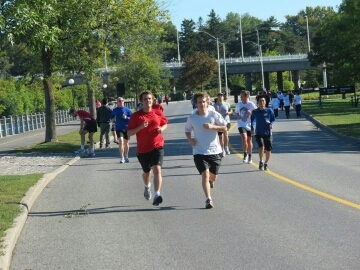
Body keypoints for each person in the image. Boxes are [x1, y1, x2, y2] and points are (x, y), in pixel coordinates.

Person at [185, 92, 227, 209]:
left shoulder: (214, 115)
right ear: (196, 104)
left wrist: (212, 127)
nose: (202, 104)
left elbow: (224, 128)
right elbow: (187, 130)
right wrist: (190, 139)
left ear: (208, 102)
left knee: (213, 177)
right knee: (205, 174)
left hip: (215, 151)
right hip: (199, 151)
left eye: (204, 101)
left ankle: (211, 182)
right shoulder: (192, 118)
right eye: (199, 102)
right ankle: (208, 199)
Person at [127, 90, 168, 206]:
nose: (148, 101)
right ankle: (147, 186)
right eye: (145, 99)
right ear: (141, 101)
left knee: (157, 169)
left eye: (149, 98)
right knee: (147, 173)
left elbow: (165, 124)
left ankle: (157, 195)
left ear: (152, 100)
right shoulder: (136, 116)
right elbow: (129, 133)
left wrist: (161, 129)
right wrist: (140, 127)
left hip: (157, 146)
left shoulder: (157, 113)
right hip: (143, 150)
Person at [250, 94, 275, 171]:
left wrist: (271, 124)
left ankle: (266, 163)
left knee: (268, 149)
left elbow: (273, 120)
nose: (262, 102)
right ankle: (261, 161)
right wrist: (252, 128)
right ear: (257, 103)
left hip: (267, 133)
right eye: (260, 101)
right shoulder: (255, 112)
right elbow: (253, 120)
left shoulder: (269, 111)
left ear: (265, 102)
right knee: (261, 147)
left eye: (263, 101)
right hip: (258, 133)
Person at [234, 90, 257, 164]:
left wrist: (252, 112)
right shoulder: (239, 104)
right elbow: (236, 112)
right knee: (244, 138)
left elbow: (257, 113)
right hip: (241, 124)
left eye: (242, 96)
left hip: (250, 125)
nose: (241, 97)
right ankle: (245, 154)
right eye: (240, 96)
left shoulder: (251, 104)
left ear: (247, 96)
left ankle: (250, 156)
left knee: (249, 141)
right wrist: (238, 116)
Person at [111, 97, 132, 163]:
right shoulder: (115, 110)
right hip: (119, 128)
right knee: (120, 140)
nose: (121, 102)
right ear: (117, 102)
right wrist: (112, 119)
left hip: (126, 128)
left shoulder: (127, 110)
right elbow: (111, 117)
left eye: (122, 101)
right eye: (119, 101)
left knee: (126, 142)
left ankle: (126, 156)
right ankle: (122, 157)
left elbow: (132, 118)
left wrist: (126, 117)